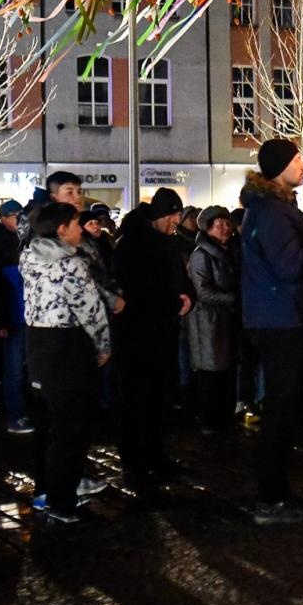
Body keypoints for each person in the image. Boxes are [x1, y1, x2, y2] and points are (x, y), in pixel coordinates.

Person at [240, 139, 303, 525]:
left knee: (282, 408)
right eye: (298, 160)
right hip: (280, 319)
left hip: (277, 316)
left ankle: (277, 493)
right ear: (280, 167)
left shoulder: (270, 208)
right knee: (279, 410)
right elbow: (290, 267)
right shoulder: (273, 212)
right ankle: (272, 499)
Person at [21, 202, 112, 524]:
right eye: (75, 224)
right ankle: (62, 502)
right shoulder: (71, 265)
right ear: (62, 229)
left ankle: (51, 493)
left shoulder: (28, 258)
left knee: (55, 425)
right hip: (68, 348)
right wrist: (103, 346)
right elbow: (91, 312)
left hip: (38, 346)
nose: (80, 229)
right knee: (72, 429)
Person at [113, 187, 194, 491]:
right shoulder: (132, 246)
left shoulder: (170, 244)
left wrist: (189, 298)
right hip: (136, 337)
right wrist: (175, 303)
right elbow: (139, 292)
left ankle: (156, 456)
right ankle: (134, 463)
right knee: (136, 401)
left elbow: (182, 281)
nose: (177, 220)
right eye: (173, 214)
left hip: (164, 332)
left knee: (159, 399)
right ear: (160, 214)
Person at [186, 206, 239, 433]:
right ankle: (209, 421)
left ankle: (223, 418)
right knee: (210, 374)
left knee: (226, 372)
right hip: (207, 322)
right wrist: (234, 298)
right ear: (208, 228)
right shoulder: (201, 255)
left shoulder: (229, 251)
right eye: (220, 224)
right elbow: (203, 291)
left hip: (225, 320)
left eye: (227, 223)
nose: (226, 228)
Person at [0, 199, 31, 434]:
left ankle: (23, 411)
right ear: (3, 217)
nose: (19, 220)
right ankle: (15, 414)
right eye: (14, 216)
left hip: (24, 312)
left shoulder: (23, 238)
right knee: (12, 367)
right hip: (12, 314)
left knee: (24, 366)